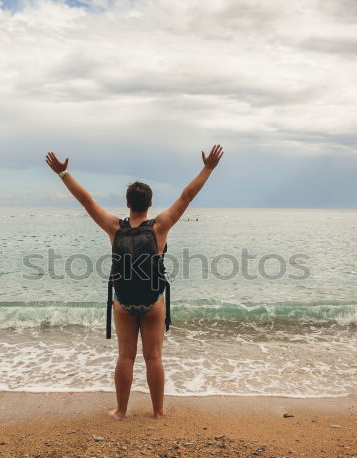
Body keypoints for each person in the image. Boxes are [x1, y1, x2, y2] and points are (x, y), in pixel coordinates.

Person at [45, 145, 224, 419]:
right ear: (149, 204)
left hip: (123, 304)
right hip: (152, 303)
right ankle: (158, 412)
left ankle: (120, 411)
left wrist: (63, 173)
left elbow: (86, 201)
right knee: (153, 357)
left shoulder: (114, 227)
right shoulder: (160, 226)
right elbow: (187, 196)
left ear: (127, 203)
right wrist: (208, 167)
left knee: (125, 356)